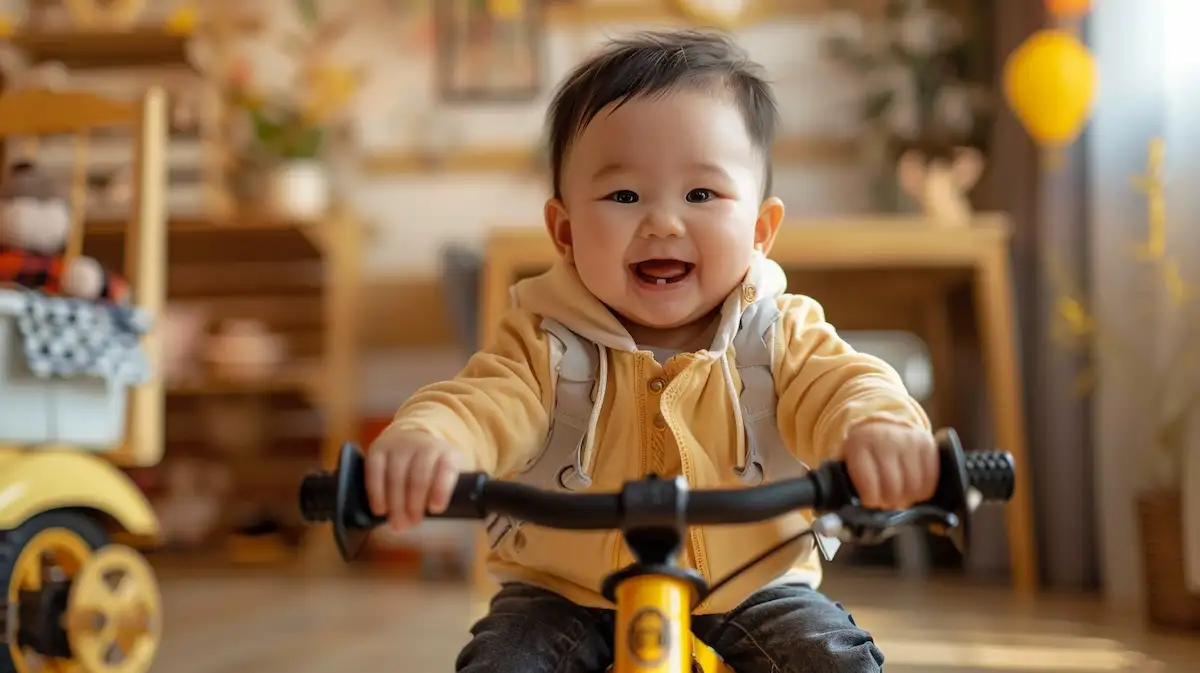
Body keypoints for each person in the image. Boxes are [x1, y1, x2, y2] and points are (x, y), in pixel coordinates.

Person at [366, 29, 937, 673]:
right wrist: (429, 442)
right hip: (565, 596)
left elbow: (845, 385)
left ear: (759, 230)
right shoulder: (542, 339)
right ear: (565, 231)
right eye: (623, 196)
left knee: (832, 660)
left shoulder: (781, 334)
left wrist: (880, 429)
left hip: (754, 589)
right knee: (505, 662)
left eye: (700, 195)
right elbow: (480, 403)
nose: (663, 222)